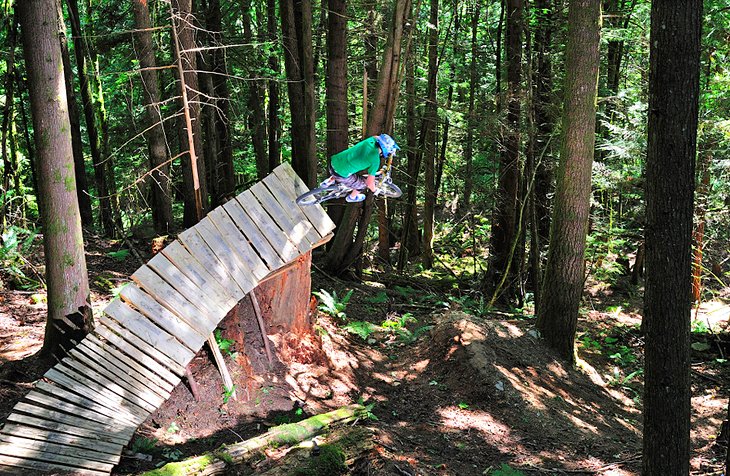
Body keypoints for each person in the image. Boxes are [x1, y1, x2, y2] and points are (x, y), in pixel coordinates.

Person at [320, 133, 401, 202]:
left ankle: (328, 181)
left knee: (346, 165)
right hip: (340, 174)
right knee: (362, 184)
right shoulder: (375, 160)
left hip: (333, 161)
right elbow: (369, 183)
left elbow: (377, 137)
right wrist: (375, 190)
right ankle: (352, 197)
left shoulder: (370, 140)